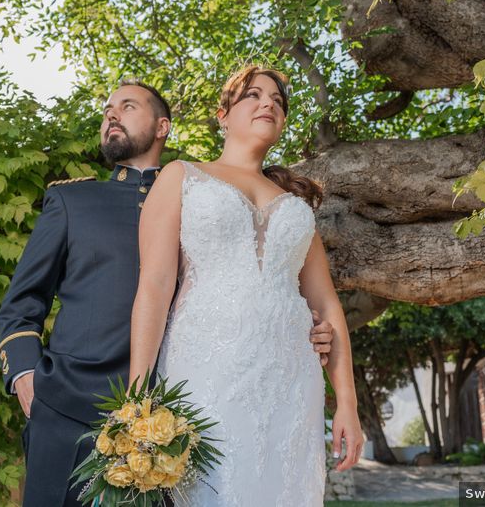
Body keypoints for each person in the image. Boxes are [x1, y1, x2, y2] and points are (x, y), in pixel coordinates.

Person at [0, 78, 336, 507]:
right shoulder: (74, 202)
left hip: (176, 413)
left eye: (128, 106)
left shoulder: (198, 192)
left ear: (163, 127)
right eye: (108, 109)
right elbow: (22, 304)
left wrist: (304, 327)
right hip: (69, 404)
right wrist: (28, 379)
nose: (111, 114)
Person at [128, 65, 365, 505]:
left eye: (277, 100)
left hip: (292, 378)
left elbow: (328, 305)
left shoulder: (297, 209)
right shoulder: (182, 176)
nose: (268, 103)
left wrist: (346, 403)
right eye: (253, 95)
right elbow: (155, 285)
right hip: (204, 370)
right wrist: (138, 398)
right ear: (223, 115)